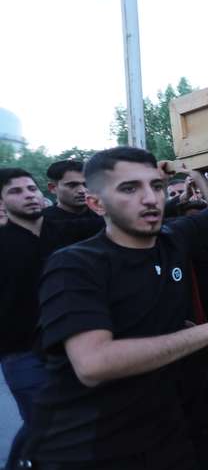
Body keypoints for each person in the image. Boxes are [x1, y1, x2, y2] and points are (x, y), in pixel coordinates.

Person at [23, 141, 208, 469]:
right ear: (97, 204)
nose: (150, 198)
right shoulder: (75, 265)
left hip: (166, 433)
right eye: (129, 188)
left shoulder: (172, 239)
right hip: (88, 446)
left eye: (156, 185)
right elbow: (95, 363)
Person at [0, 168, 104, 469]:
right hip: (21, 351)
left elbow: (119, 221)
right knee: (46, 422)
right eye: (16, 191)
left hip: (69, 346)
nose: (28, 195)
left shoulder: (64, 230)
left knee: (60, 423)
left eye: (30, 189)